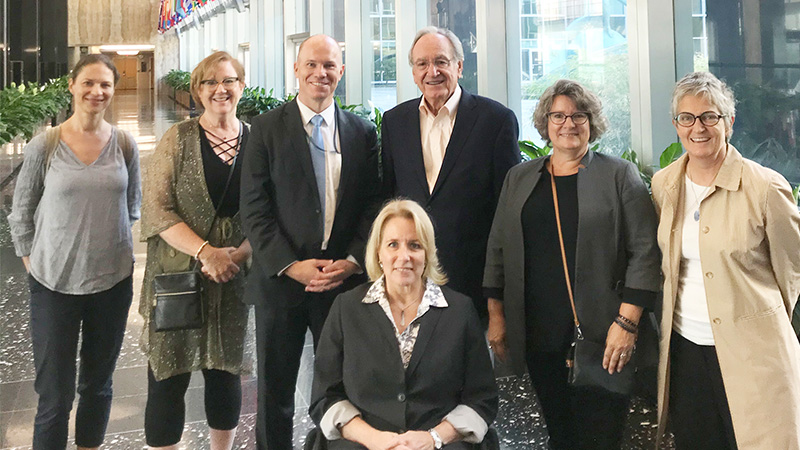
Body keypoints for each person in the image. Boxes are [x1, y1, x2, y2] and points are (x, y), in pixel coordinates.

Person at [482, 79, 661, 449]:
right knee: (559, 433)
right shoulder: (519, 177)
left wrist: (627, 324)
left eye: (579, 115)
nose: (569, 123)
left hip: (604, 335)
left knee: (602, 436)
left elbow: (645, 252)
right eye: (558, 115)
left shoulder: (619, 175)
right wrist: (496, 317)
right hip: (539, 333)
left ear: (591, 122)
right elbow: (498, 248)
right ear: (545, 123)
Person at [240, 34, 382, 450]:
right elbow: (254, 208)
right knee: (275, 390)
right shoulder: (266, 129)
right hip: (282, 281)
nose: (321, 73)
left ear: (341, 72)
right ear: (297, 70)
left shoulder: (361, 131)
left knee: (341, 388)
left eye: (330, 65)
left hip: (342, 283)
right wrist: (291, 265)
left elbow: (374, 204)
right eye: (312, 65)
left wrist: (355, 260)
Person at [652, 71, 800, 449]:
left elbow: (792, 267)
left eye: (709, 116)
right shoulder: (664, 184)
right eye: (687, 117)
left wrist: (759, 317)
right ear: (676, 125)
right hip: (686, 350)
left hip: (754, 352)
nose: (697, 127)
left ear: (728, 122)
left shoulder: (765, 187)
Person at [8, 54, 140, 450]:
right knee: (55, 396)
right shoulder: (44, 145)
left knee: (98, 386)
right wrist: (34, 263)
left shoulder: (124, 144)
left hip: (112, 283)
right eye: (89, 83)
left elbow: (132, 206)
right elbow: (21, 213)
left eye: (105, 85)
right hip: (54, 285)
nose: (97, 92)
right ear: (72, 85)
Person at [310, 199, 498, 450]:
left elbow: (481, 398)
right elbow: (325, 396)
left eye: (415, 245)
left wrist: (434, 438)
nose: (404, 256)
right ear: (378, 253)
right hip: (364, 442)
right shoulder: (346, 308)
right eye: (392, 245)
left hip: (437, 443)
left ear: (428, 253)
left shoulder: (460, 311)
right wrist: (375, 440)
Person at [139, 51, 251, 450]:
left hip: (234, 278)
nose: (220, 89)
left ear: (242, 85)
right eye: (209, 82)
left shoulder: (256, 141)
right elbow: (156, 207)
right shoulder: (179, 139)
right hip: (177, 276)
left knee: (225, 373)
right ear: (197, 91)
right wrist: (208, 252)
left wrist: (234, 256)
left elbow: (270, 210)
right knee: (168, 376)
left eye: (228, 80)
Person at [381, 26, 520, 319]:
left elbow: (507, 209)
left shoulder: (495, 121)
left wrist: (497, 293)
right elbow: (390, 200)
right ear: (414, 72)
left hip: (471, 282)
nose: (432, 71)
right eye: (422, 64)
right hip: (409, 280)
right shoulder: (395, 123)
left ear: (458, 66)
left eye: (441, 61)